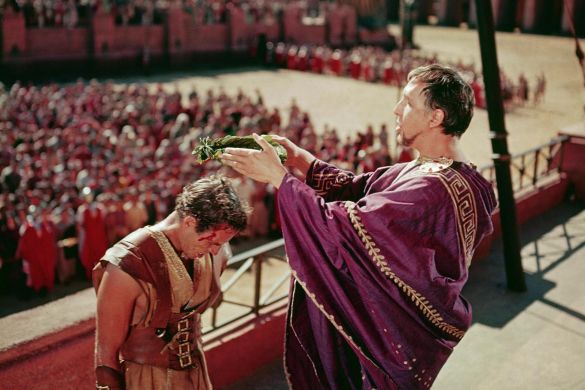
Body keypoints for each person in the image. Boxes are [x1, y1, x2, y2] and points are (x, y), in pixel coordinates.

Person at [221, 64, 497, 389]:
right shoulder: (459, 176)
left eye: (407, 103)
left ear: (435, 118)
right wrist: (303, 162)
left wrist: (278, 178)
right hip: (400, 336)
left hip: (389, 343)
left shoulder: (430, 187)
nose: (396, 110)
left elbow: (349, 228)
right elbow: (361, 190)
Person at [92, 176, 248, 390]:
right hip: (146, 381)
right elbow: (105, 354)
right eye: (212, 241)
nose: (215, 250)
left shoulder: (213, 253)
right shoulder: (128, 264)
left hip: (196, 376)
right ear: (190, 222)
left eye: (221, 243)